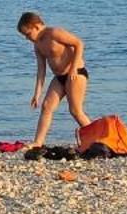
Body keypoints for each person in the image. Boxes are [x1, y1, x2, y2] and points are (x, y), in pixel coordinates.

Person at [17, 11, 94, 148]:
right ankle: (38, 142)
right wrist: (37, 94)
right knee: (46, 106)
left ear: (37, 26)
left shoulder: (54, 33)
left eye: (28, 34)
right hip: (59, 77)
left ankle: (97, 139)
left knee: (75, 110)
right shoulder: (37, 45)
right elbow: (41, 70)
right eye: (24, 36)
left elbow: (79, 44)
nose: (27, 38)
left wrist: (74, 68)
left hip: (76, 74)